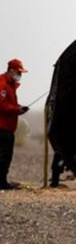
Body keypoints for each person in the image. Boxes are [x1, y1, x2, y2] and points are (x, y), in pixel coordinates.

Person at [0, 59, 29, 190]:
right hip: (2, 128)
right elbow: (2, 106)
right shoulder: (3, 85)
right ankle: (1, 183)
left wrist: (19, 108)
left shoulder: (10, 85)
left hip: (8, 127)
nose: (20, 75)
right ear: (11, 70)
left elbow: (9, 104)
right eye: (18, 72)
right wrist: (17, 110)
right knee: (3, 155)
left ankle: (2, 180)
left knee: (6, 155)